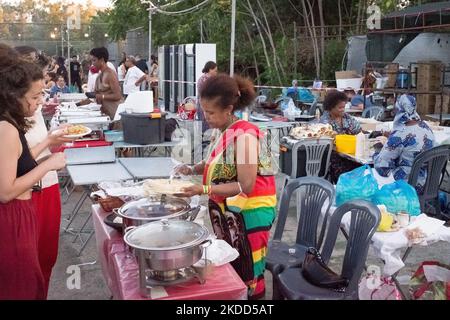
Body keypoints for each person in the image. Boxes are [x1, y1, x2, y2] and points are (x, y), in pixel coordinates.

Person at [175, 74, 276, 300]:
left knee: (250, 269)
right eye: (204, 111)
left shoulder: (246, 136)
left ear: (229, 109)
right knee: (235, 265)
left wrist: (204, 190)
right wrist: (191, 169)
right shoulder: (224, 131)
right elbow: (214, 163)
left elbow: (246, 185)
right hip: (231, 212)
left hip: (251, 214)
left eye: (210, 112)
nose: (206, 117)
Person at [0, 45, 66, 299]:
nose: (40, 102)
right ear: (14, 95)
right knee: (20, 285)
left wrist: (48, 145)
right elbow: (6, 191)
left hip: (20, 214)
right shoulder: (6, 128)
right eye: (36, 96)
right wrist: (48, 164)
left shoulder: (10, 123)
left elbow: (19, 161)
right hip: (13, 218)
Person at [374, 95, 436, 193]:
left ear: (398, 109)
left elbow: (381, 166)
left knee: (372, 173)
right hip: (427, 181)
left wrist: (377, 151)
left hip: (407, 185)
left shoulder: (399, 134)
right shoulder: (426, 127)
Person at [320, 90, 362, 183]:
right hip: (334, 159)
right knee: (348, 172)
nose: (343, 109)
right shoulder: (325, 123)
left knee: (364, 168)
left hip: (350, 155)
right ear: (331, 108)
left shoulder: (347, 117)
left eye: (344, 107)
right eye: (340, 107)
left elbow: (358, 130)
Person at [90, 47, 123, 128]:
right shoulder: (99, 76)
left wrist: (101, 96)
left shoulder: (110, 74)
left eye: (94, 60)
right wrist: (76, 104)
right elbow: (95, 95)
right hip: (106, 116)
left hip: (116, 115)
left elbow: (117, 96)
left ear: (101, 60)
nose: (92, 63)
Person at [196, 61, 218, 132]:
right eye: (215, 71)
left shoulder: (209, 79)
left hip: (207, 105)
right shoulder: (204, 80)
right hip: (205, 106)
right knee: (206, 124)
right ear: (210, 69)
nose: (216, 73)